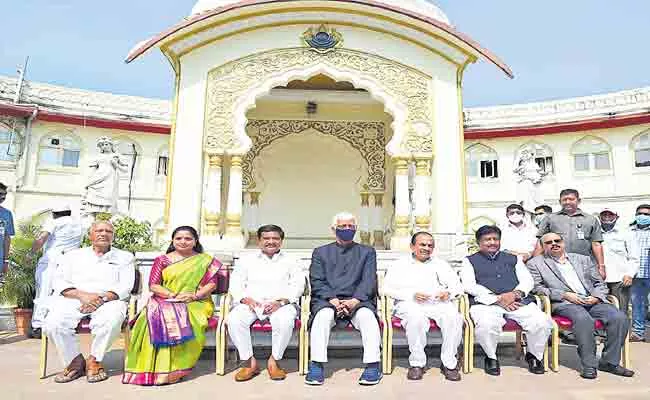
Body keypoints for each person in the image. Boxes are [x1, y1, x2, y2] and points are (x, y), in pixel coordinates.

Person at [123, 226, 222, 385]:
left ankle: (177, 369)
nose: (183, 241)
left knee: (184, 318)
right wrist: (173, 295)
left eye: (188, 238)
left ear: (195, 241)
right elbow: (154, 285)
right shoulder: (162, 260)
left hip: (197, 302)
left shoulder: (205, 260)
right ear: (173, 240)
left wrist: (194, 296)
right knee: (149, 319)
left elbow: (211, 285)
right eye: (179, 238)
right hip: (165, 298)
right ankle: (151, 370)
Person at [527, 232, 634, 379]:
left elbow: (599, 283)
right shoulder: (535, 263)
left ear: (563, 243)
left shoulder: (582, 259)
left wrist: (596, 297)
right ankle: (589, 364)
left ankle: (609, 362)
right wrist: (564, 295)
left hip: (591, 300)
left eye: (557, 240)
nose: (554, 244)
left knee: (619, 317)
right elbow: (537, 288)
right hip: (565, 303)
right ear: (543, 246)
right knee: (583, 319)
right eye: (549, 242)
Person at [43, 221, 135, 383]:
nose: (103, 234)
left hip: (109, 300)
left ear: (113, 236)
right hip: (75, 298)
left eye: (108, 231)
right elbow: (59, 282)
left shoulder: (125, 257)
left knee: (111, 320)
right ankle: (74, 361)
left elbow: (125, 286)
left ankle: (94, 360)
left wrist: (100, 299)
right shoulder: (72, 256)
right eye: (99, 230)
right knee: (53, 322)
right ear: (90, 235)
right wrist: (82, 295)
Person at [459, 225, 552, 376]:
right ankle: (491, 357)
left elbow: (527, 280)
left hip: (517, 301)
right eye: (487, 239)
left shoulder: (514, 259)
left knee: (541, 321)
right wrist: (497, 299)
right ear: (479, 243)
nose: (492, 242)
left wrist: (515, 294)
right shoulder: (469, 261)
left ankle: (534, 355)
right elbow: (469, 285)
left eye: (495, 239)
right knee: (486, 324)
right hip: (486, 303)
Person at [305, 212, 382, 386]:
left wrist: (355, 300)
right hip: (328, 300)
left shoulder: (367, 252)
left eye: (350, 226)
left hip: (359, 300)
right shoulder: (320, 252)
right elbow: (317, 280)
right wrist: (333, 300)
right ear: (334, 229)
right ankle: (316, 365)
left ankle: (372, 365)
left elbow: (369, 280)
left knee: (367, 317)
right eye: (342, 226)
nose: (347, 229)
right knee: (322, 317)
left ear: (355, 229)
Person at [226, 224, 304, 381]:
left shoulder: (292, 260)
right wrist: (245, 299)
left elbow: (298, 285)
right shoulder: (245, 260)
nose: (271, 241)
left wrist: (281, 302)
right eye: (266, 238)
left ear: (281, 241)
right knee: (234, 319)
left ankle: (274, 361)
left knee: (284, 321)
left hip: (281, 304)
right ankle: (249, 363)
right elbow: (235, 284)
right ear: (259, 241)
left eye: (275, 238)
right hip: (251, 303)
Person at [383, 232, 464, 381]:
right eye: (422, 244)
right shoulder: (399, 264)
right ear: (412, 246)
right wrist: (411, 294)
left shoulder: (440, 264)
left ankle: (449, 364)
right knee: (416, 318)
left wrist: (448, 293)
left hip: (437, 303)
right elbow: (386, 289)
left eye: (430, 245)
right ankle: (417, 363)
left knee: (454, 317)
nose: (426, 248)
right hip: (409, 303)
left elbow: (457, 286)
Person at [29, 204, 83, 338]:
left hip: (51, 262)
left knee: (43, 293)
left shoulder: (54, 222)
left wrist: (30, 254)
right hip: (70, 263)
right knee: (65, 294)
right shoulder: (79, 224)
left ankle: (38, 326)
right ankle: (63, 324)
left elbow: (41, 239)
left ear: (55, 214)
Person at [534, 189, 605, 279]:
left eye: (571, 199)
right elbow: (541, 243)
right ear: (560, 202)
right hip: (557, 265)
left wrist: (601, 266)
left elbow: (596, 244)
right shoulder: (550, 219)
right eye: (564, 199)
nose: (567, 202)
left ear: (578, 201)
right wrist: (534, 264)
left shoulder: (591, 219)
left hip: (584, 265)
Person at [599, 208, 638, 317]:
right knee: (602, 310)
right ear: (599, 217)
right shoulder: (595, 233)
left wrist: (630, 274)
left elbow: (634, 257)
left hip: (620, 279)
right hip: (600, 279)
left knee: (620, 310)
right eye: (604, 214)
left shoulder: (626, 233)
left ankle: (622, 334)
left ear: (616, 217)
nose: (607, 216)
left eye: (610, 214)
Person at [630, 204, 650, 342]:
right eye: (640, 213)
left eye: (646, 214)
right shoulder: (629, 231)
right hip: (636, 274)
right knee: (638, 304)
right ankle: (638, 332)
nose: (642, 216)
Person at [0, 182, 15, 277]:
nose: (3, 197)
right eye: (0, 194)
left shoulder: (7, 214)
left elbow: (7, 238)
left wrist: (6, 261)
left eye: (4, 194)